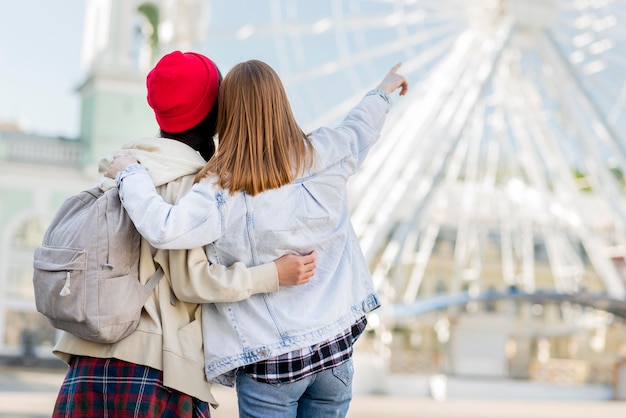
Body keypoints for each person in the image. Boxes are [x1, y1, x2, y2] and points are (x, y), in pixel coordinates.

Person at [106, 60, 408, 417]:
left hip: (271, 362)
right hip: (334, 352)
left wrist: (130, 175)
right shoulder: (329, 150)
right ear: (281, 102)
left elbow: (164, 226)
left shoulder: (220, 190)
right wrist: (384, 90)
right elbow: (362, 124)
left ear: (226, 115)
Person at [52, 51, 315, 417]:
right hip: (155, 369)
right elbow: (192, 282)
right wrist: (274, 274)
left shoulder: (123, 170)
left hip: (85, 363)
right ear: (215, 114)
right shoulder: (194, 186)